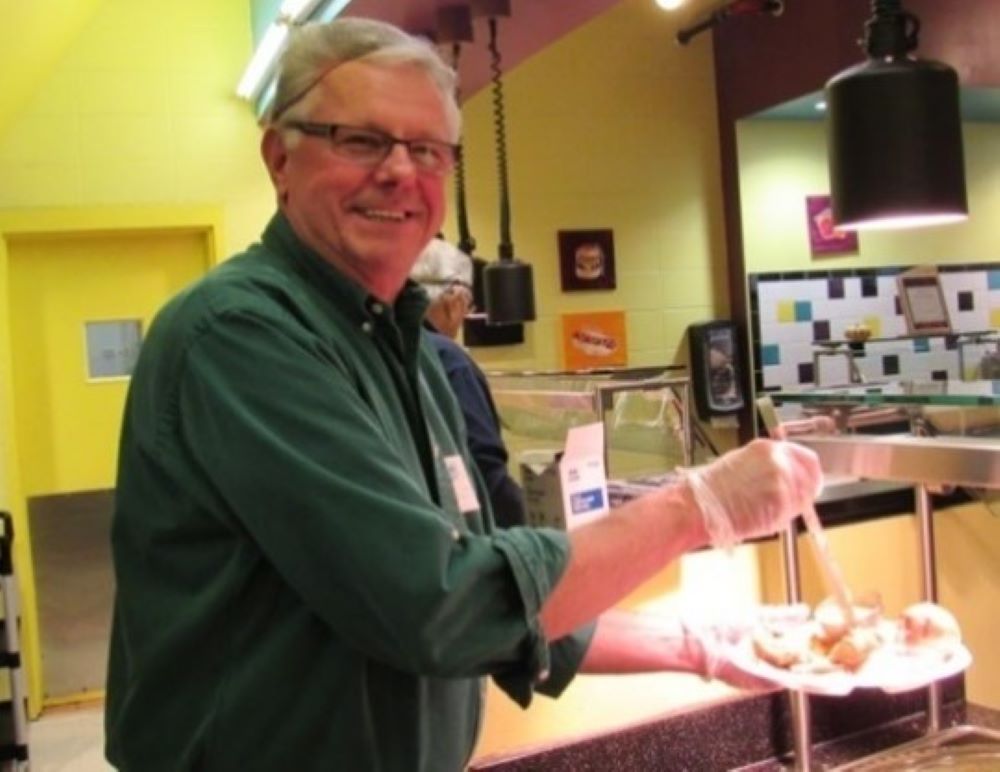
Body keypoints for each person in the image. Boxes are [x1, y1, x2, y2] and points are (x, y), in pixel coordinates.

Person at [104, 17, 823, 772]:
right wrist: (695, 506)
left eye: (427, 151)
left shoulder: (410, 353)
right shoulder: (241, 335)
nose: (399, 172)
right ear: (279, 156)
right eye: (360, 140)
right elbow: (438, 605)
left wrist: (701, 645)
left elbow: (490, 588)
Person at [410, 237, 527, 527]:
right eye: (468, 305)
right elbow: (485, 467)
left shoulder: (387, 348)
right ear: (453, 300)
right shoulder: (451, 361)